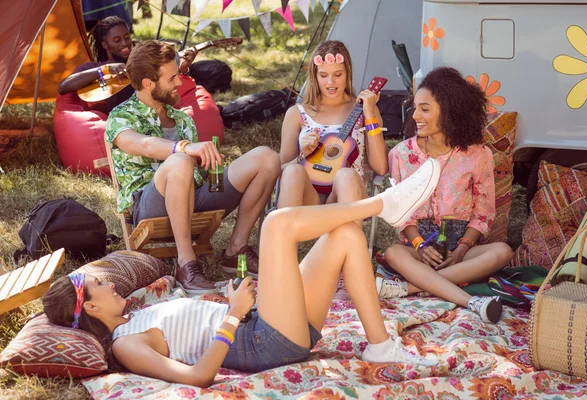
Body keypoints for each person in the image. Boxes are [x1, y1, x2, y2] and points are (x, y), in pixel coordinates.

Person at [43, 158, 443, 387]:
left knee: (345, 236)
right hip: (260, 341)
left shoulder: (135, 311)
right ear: (91, 308)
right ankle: (385, 205)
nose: (110, 281)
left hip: (262, 320)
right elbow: (199, 376)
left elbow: (195, 325)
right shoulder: (124, 346)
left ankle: (379, 345)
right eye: (99, 284)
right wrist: (233, 314)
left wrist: (231, 302)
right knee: (275, 225)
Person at [104, 40, 280, 295]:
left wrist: (211, 165)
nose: (179, 82)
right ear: (148, 83)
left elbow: (197, 170)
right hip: (151, 204)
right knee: (180, 160)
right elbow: (143, 145)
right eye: (172, 77)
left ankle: (235, 250)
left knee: (266, 158)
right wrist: (184, 148)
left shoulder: (181, 118)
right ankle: (187, 264)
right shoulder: (121, 117)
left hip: (193, 197)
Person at [376, 67, 513, 324]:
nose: (415, 115)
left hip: (461, 248)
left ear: (450, 113)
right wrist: (420, 245)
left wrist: (461, 251)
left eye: (425, 109)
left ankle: (412, 288)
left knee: (502, 252)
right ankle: (471, 301)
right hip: (420, 249)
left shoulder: (478, 155)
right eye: (415, 107)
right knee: (394, 253)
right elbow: (401, 214)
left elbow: (483, 213)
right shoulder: (402, 155)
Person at [277, 40, 388, 299]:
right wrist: (302, 154)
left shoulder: (363, 110)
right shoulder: (298, 113)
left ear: (348, 72)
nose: (331, 82)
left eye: (338, 75)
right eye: (324, 75)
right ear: (314, 75)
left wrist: (370, 113)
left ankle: (343, 275)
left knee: (347, 175)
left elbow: (381, 167)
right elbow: (280, 168)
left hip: (347, 198)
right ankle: (283, 268)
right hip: (309, 199)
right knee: (292, 172)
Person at [57, 16, 199, 115]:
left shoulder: (144, 64)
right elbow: (63, 87)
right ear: (105, 45)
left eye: (126, 37)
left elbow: (165, 93)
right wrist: (105, 69)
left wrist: (183, 69)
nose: (124, 44)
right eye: (117, 40)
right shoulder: (94, 67)